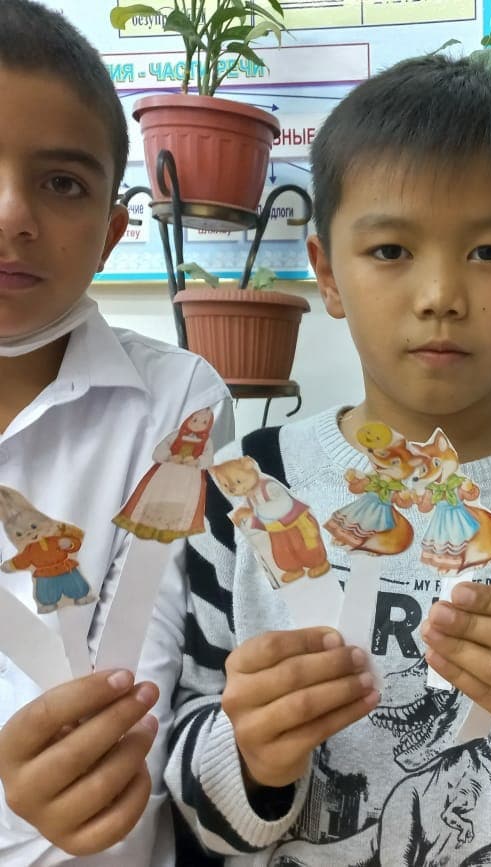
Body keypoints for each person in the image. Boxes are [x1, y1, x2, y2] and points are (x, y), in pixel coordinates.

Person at [165, 55, 491, 864]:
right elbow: (190, 792)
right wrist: (250, 754)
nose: (440, 294)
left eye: (489, 252)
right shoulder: (249, 490)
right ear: (327, 273)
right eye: (391, 249)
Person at [0, 1, 233, 864]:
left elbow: (147, 694)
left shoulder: (176, 403)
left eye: (61, 182)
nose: (11, 213)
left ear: (110, 233)